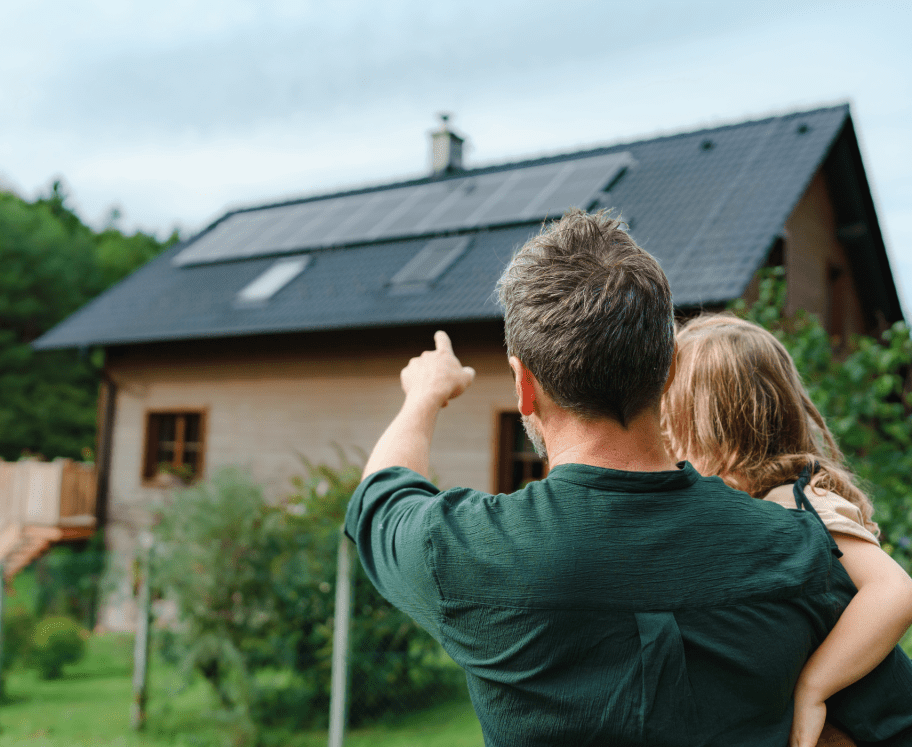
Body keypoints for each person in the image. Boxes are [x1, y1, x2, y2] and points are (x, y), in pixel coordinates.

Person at [345, 209, 912, 746]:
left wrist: (425, 395)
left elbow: (382, 493)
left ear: (524, 386)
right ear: (667, 373)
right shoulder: (798, 549)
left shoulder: (464, 551)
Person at [662, 313, 912, 746]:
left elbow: (895, 591)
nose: (663, 433)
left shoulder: (799, 502)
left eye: (670, 419)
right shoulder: (751, 507)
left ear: (712, 426)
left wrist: (814, 688)